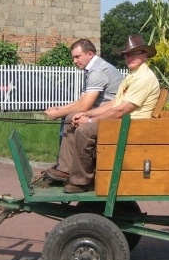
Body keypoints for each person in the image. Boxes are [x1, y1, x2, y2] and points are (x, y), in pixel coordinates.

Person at [45, 34, 160, 193]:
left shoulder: (143, 78)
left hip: (133, 127)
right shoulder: (133, 75)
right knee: (73, 119)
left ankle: (82, 180)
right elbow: (114, 103)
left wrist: (89, 121)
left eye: (135, 53)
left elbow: (121, 110)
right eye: (127, 54)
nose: (130, 57)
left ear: (145, 55)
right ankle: (67, 169)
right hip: (123, 121)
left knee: (84, 130)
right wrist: (88, 114)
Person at [44, 39, 122, 121]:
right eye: (73, 58)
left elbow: (84, 106)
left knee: (72, 117)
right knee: (69, 115)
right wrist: (58, 108)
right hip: (101, 110)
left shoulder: (97, 71)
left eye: (77, 57)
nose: (74, 61)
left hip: (112, 113)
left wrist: (58, 113)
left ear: (90, 54)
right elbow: (82, 101)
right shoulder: (91, 69)